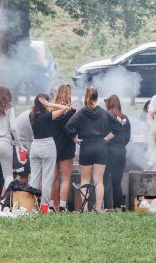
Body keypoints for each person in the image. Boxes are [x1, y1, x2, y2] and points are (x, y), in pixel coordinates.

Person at [65, 86, 122, 212]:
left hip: (86, 147)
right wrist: (106, 139)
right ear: (97, 97)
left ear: (86, 97)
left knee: (85, 179)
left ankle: (85, 209)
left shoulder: (81, 113)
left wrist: (75, 138)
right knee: (99, 181)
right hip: (101, 147)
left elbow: (68, 126)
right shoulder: (103, 112)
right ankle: (98, 209)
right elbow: (118, 125)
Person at [28, 93, 70, 208]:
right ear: (44, 102)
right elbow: (65, 108)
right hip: (47, 145)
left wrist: (46, 105)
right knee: (47, 178)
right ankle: (44, 205)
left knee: (34, 177)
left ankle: (32, 204)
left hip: (35, 145)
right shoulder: (47, 116)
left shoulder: (32, 115)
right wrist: (49, 104)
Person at [50, 84, 76, 212]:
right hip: (67, 147)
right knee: (65, 178)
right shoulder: (72, 112)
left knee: (53, 178)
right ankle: (62, 205)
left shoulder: (51, 111)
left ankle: (51, 205)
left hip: (53, 146)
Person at [104, 95, 131, 210]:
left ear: (108, 104)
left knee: (104, 180)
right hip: (120, 152)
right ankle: (117, 207)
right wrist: (120, 146)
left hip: (107, 152)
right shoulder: (125, 118)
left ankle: (105, 206)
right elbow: (127, 138)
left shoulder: (105, 117)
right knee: (116, 181)